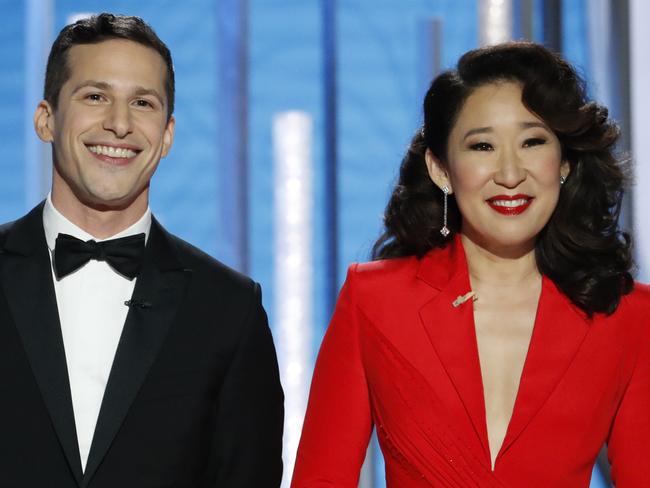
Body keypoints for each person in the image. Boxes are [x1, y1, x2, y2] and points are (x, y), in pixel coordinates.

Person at [291, 42, 650, 487]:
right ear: (441, 169)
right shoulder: (374, 300)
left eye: (532, 142)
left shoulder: (626, 314)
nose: (510, 173)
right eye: (482, 146)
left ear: (565, 163)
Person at [0, 13, 283, 487]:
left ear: (167, 135)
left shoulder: (229, 310)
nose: (118, 124)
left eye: (142, 103)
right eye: (95, 96)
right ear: (46, 119)